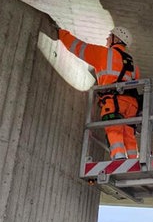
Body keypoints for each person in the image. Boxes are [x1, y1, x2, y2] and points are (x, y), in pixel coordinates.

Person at [58, 25, 141, 160]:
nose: (107, 38)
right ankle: (133, 159)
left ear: (116, 38)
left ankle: (119, 157)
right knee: (128, 132)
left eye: (110, 36)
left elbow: (79, 47)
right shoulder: (133, 63)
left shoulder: (105, 54)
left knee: (113, 127)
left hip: (113, 100)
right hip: (132, 104)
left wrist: (61, 33)